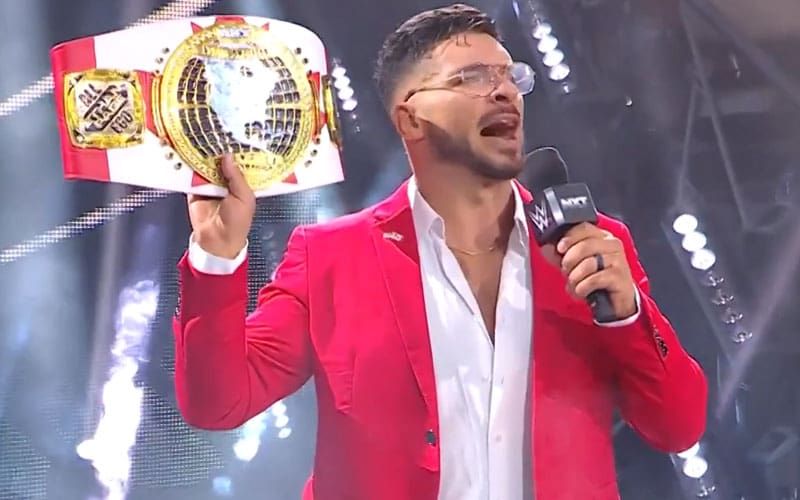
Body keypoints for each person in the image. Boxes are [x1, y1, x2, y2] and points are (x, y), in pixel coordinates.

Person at [173, 4, 708, 500]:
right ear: (411, 119)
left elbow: (678, 427)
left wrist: (628, 316)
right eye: (472, 78)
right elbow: (218, 402)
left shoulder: (588, 247)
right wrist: (216, 257)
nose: (504, 92)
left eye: (510, 76)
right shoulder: (331, 257)